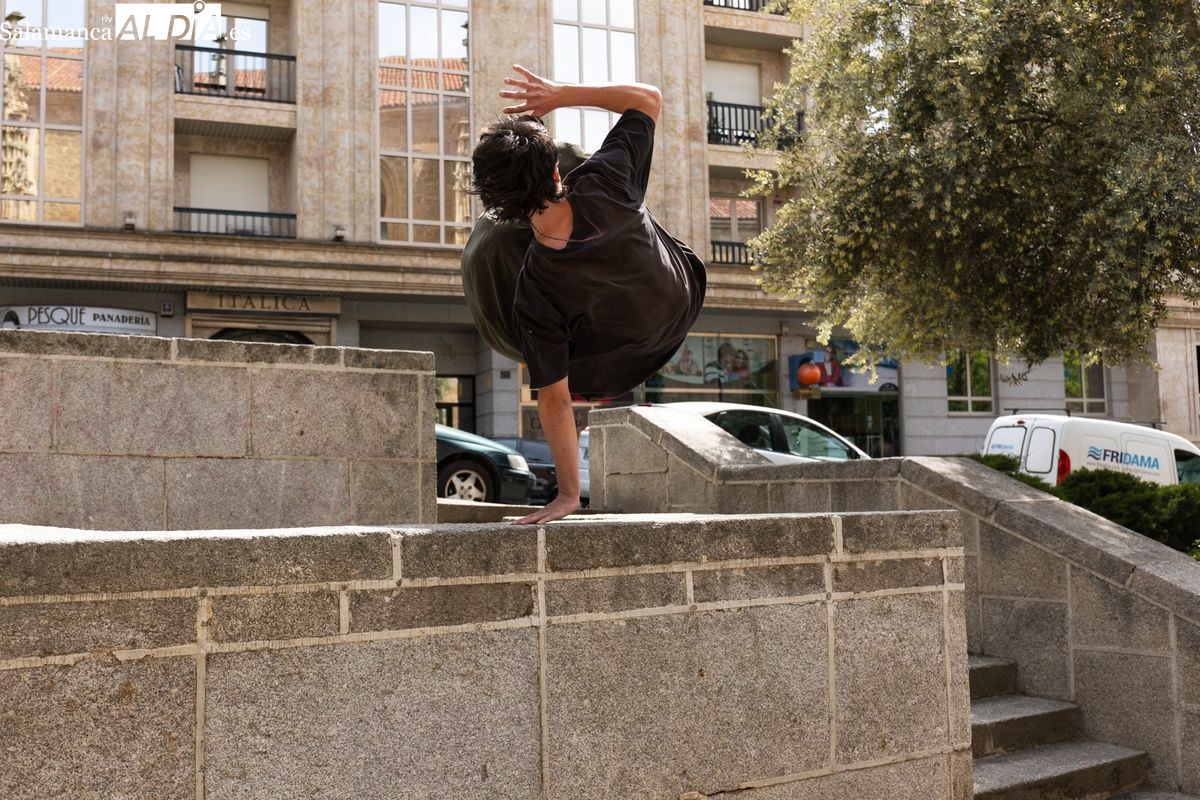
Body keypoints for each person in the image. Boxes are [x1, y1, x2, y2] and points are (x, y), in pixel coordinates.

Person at [469, 65, 707, 524]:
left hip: (613, 375)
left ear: (499, 206)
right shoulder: (607, 179)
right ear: (557, 169)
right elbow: (648, 97)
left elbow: (554, 399)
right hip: (680, 301)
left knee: (491, 251)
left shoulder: (534, 290)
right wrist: (559, 95)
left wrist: (567, 496)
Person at [460, 141, 589, 362]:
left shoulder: (492, 221)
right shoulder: (523, 231)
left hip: (504, 338)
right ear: (555, 176)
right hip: (527, 337)